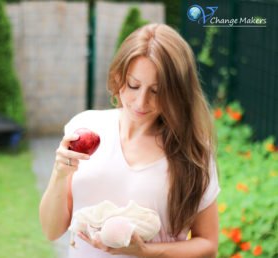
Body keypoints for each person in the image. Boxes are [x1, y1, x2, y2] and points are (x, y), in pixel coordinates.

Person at [39, 23, 220, 258]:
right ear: (118, 77)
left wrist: (145, 251)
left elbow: (208, 245)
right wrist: (59, 173)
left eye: (157, 91)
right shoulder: (85, 127)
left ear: (177, 93)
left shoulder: (192, 152)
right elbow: (52, 231)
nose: (141, 102)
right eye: (134, 85)